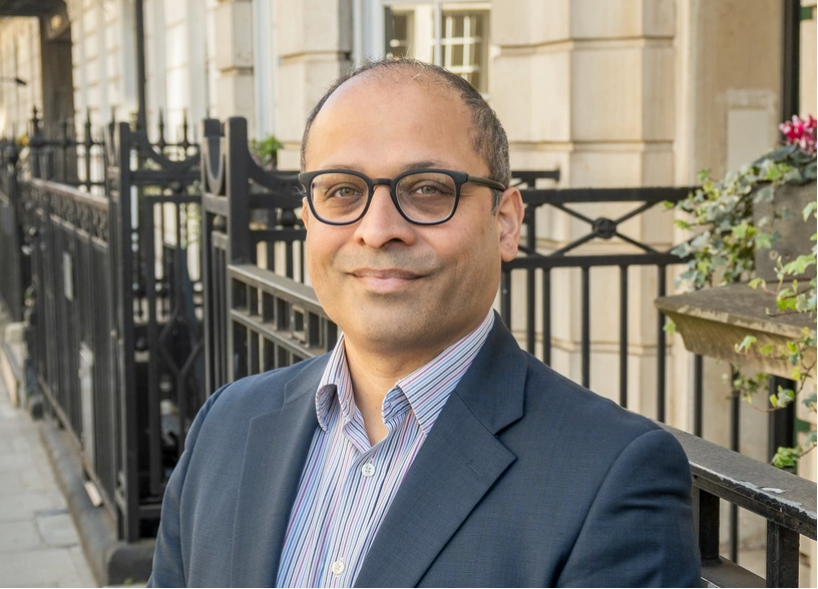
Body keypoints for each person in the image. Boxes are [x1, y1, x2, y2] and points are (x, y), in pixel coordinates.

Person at [148, 59, 701, 588]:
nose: (378, 229)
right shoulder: (225, 426)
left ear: (505, 222)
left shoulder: (611, 474)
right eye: (342, 191)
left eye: (428, 189)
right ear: (307, 223)